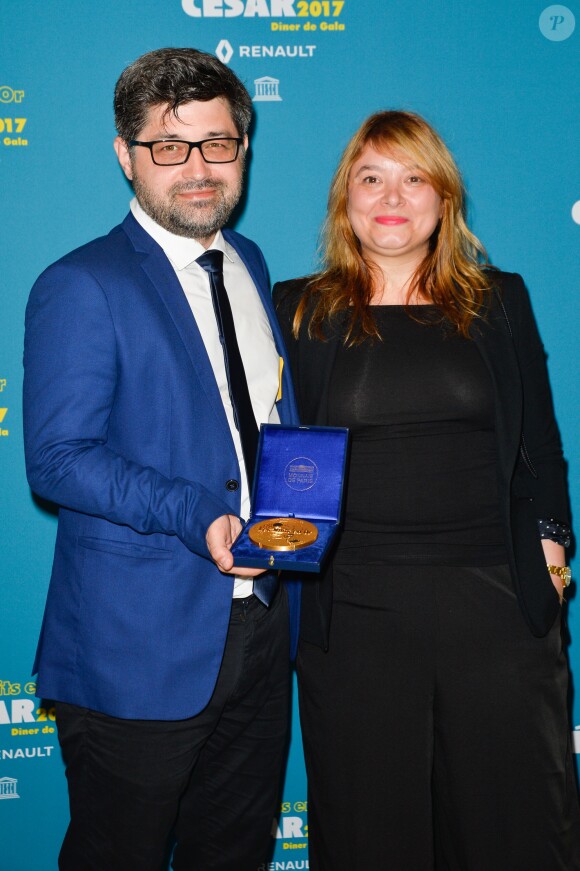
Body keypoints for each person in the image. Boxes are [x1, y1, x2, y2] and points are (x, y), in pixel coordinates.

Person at [274, 110, 580, 870]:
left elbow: (539, 445)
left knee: (512, 829)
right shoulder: (298, 308)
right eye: (371, 178)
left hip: (499, 613)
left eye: (414, 179)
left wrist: (552, 547)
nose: (392, 197)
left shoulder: (498, 300)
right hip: (358, 623)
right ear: (345, 199)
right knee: (372, 835)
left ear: (444, 200)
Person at [23, 47, 299, 871]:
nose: (197, 169)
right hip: (134, 646)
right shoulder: (83, 283)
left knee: (234, 854)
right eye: (168, 147)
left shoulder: (250, 265)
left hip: (259, 629)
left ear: (243, 148)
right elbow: (58, 458)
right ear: (125, 155)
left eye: (217, 143)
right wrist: (194, 510)